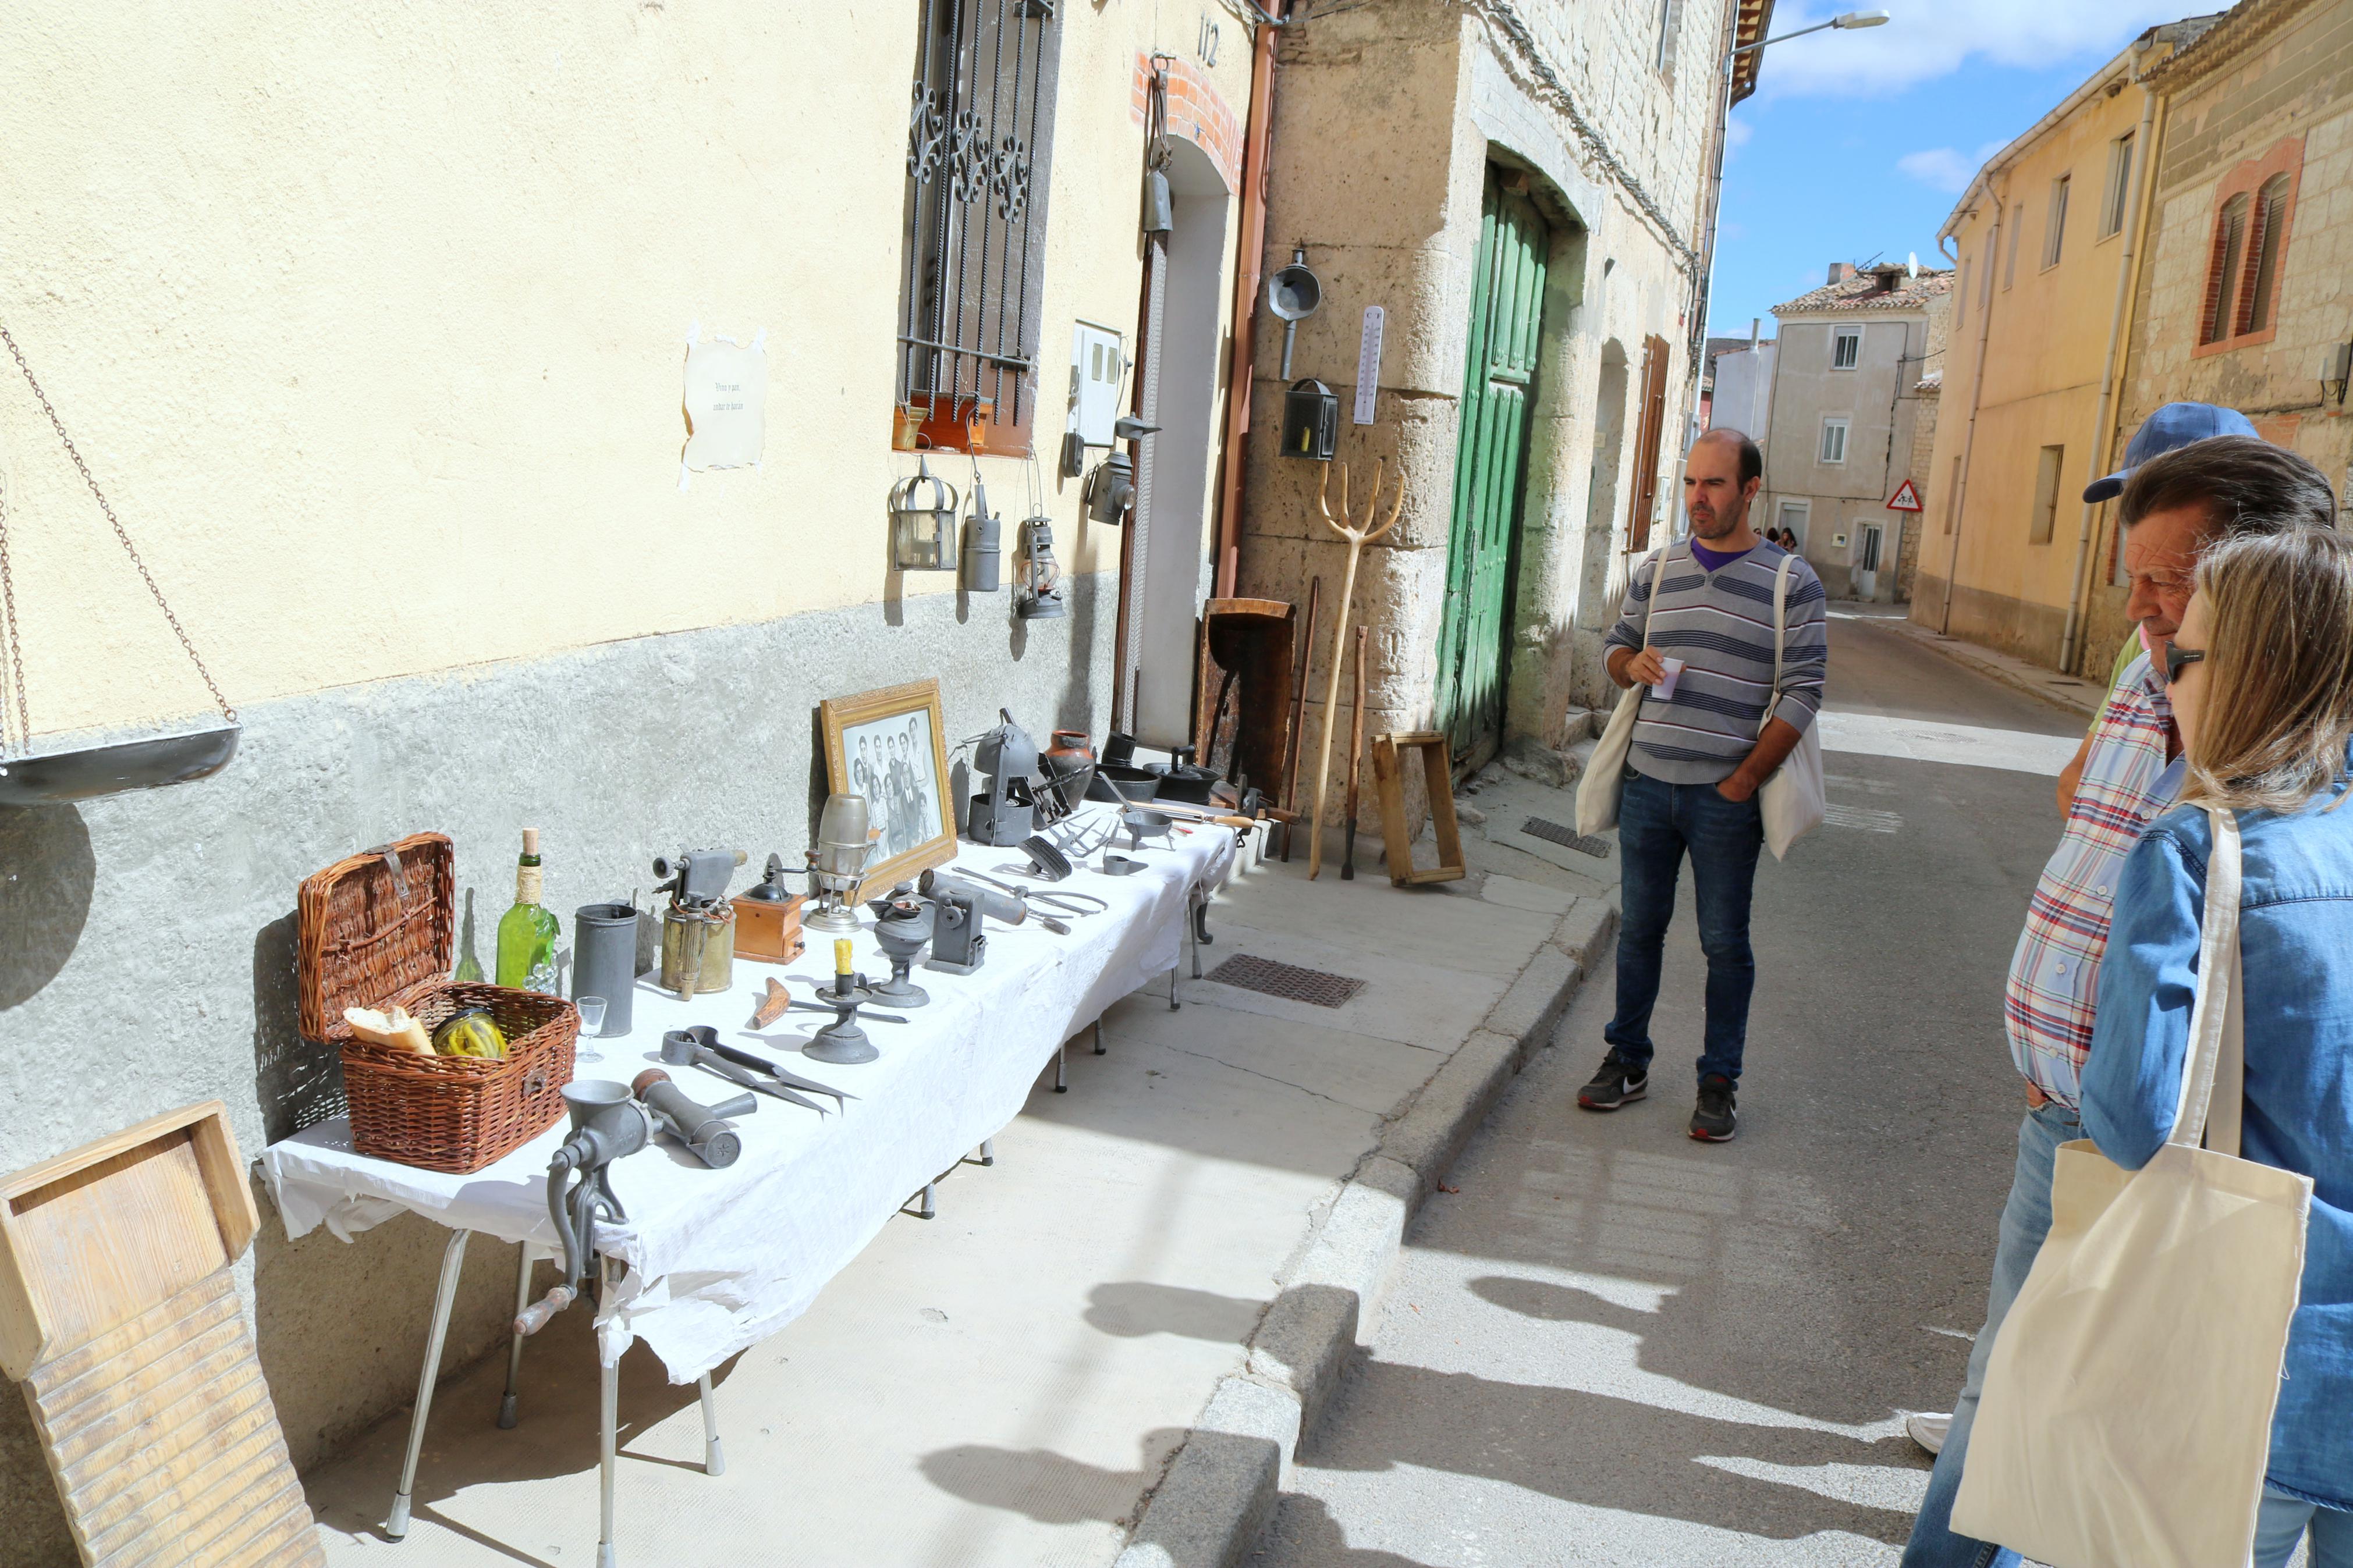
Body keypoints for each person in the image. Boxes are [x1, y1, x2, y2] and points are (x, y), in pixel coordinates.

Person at [1900, 433, 2339, 1567]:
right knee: (2007, 1407)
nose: (2139, 606)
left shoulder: (2276, 765)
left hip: (2166, 1164)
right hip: (2064, 1127)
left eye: (2167, 580)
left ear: (2259, 575)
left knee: (2069, 1451)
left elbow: (2155, 1093)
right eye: (2131, 575)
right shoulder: (2142, 671)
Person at [2077, 527, 2353, 1566]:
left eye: (2180, 658)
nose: (2161, 675)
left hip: (2254, 1368)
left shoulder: (2195, 847)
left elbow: (2137, 1121)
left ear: (2243, 677)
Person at [1579, 427, 1826, 1142]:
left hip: (1724, 798)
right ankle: (1626, 1059)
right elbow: (1613, 647)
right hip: (1648, 784)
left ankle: (1718, 1081)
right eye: (1690, 483)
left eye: (1713, 485)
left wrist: (1744, 781)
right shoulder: (1658, 570)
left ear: (1749, 490)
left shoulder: (1789, 581)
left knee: (1723, 943)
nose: (1697, 498)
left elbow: (1803, 693)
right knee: (1639, 933)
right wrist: (1632, 665)